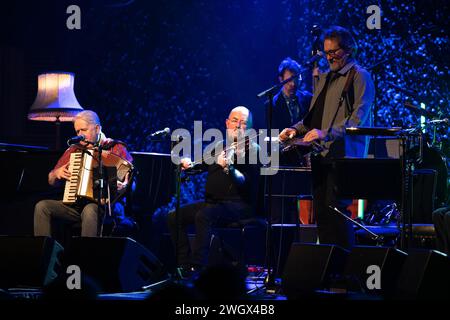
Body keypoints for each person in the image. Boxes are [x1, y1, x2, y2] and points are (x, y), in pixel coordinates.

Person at [279, 26, 375, 249]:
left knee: (336, 210)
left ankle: (344, 269)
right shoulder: (325, 79)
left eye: (334, 52)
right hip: (321, 154)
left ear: (349, 49)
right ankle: (329, 269)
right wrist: (294, 129)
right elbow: (312, 120)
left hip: (344, 156)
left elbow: (357, 122)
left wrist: (326, 133)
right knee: (321, 211)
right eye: (326, 52)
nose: (329, 57)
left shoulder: (359, 76)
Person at [167, 106, 260, 275]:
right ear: (227, 123)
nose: (238, 126)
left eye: (244, 123)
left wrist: (229, 168)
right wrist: (188, 164)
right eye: (234, 121)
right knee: (174, 216)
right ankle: (184, 265)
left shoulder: (253, 150)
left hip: (238, 205)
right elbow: (200, 165)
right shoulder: (219, 146)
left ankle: (198, 267)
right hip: (213, 203)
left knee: (204, 215)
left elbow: (244, 181)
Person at [34, 110, 133, 238]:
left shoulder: (115, 148)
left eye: (83, 130)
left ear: (97, 129)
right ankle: (46, 255)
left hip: (107, 207)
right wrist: (56, 174)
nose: (80, 135)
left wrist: (123, 185)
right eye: (77, 132)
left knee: (90, 209)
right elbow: (51, 180)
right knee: (42, 207)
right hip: (75, 205)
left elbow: (132, 182)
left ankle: (85, 256)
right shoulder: (74, 150)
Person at [270, 57, 312, 131]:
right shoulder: (272, 104)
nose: (293, 84)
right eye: (289, 80)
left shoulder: (308, 98)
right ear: (281, 79)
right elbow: (270, 135)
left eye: (296, 79)